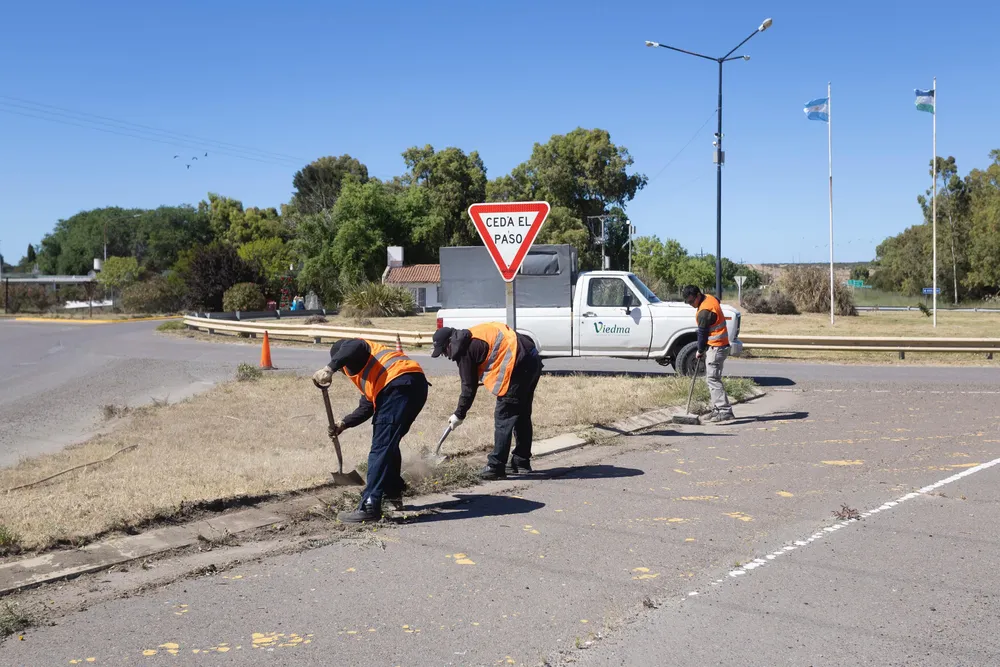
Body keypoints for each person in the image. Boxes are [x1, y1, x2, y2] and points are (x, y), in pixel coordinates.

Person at [312, 338, 428, 522]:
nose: (343, 371)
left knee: (380, 447)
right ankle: (393, 492)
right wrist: (343, 424)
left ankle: (370, 505)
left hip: (398, 386)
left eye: (342, 366)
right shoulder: (370, 375)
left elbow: (353, 345)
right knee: (389, 443)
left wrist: (329, 368)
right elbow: (367, 407)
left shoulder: (359, 348)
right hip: (414, 385)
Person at [431, 322, 543, 480]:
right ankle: (521, 461)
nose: (446, 356)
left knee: (504, 416)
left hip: (517, 366)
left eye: (443, 351)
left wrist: (459, 414)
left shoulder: (463, 349)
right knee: (522, 414)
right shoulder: (471, 336)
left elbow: (468, 387)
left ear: (449, 343)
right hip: (531, 360)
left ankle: (496, 466)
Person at [681, 285, 734, 423]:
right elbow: (717, 300)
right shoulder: (710, 298)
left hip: (717, 347)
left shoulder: (704, 312)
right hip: (720, 346)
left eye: (692, 301)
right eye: (688, 302)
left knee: (712, 379)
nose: (691, 304)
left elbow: (702, 333)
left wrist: (699, 350)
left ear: (698, 295)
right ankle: (718, 409)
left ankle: (724, 410)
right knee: (713, 378)